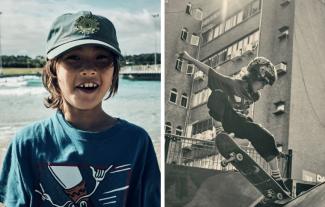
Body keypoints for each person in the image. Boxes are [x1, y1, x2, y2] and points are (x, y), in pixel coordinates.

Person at [0, 11, 160, 207]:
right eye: (73, 58)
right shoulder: (28, 143)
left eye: (102, 58)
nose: (89, 69)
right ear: (53, 70)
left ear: (114, 72)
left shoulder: (137, 142)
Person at [179, 51, 289, 192]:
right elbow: (209, 71)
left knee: (266, 136)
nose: (263, 87)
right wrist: (189, 58)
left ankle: (277, 177)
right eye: (263, 83)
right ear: (255, 76)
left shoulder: (255, 95)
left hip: (239, 124)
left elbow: (247, 118)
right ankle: (221, 134)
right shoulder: (231, 84)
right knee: (217, 94)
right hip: (225, 119)